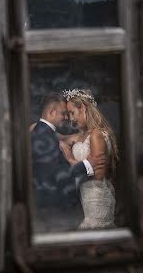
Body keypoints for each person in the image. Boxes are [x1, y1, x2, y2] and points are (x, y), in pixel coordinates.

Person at [30, 93, 98, 232]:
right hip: (55, 210)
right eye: (63, 113)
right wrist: (87, 165)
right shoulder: (44, 136)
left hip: (54, 208)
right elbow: (54, 176)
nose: (66, 117)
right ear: (51, 112)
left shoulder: (45, 132)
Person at [60, 88, 117, 229]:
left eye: (72, 113)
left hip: (98, 199)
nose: (71, 119)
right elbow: (55, 136)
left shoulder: (96, 135)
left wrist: (70, 159)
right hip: (87, 198)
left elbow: (99, 174)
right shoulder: (82, 136)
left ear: (83, 108)